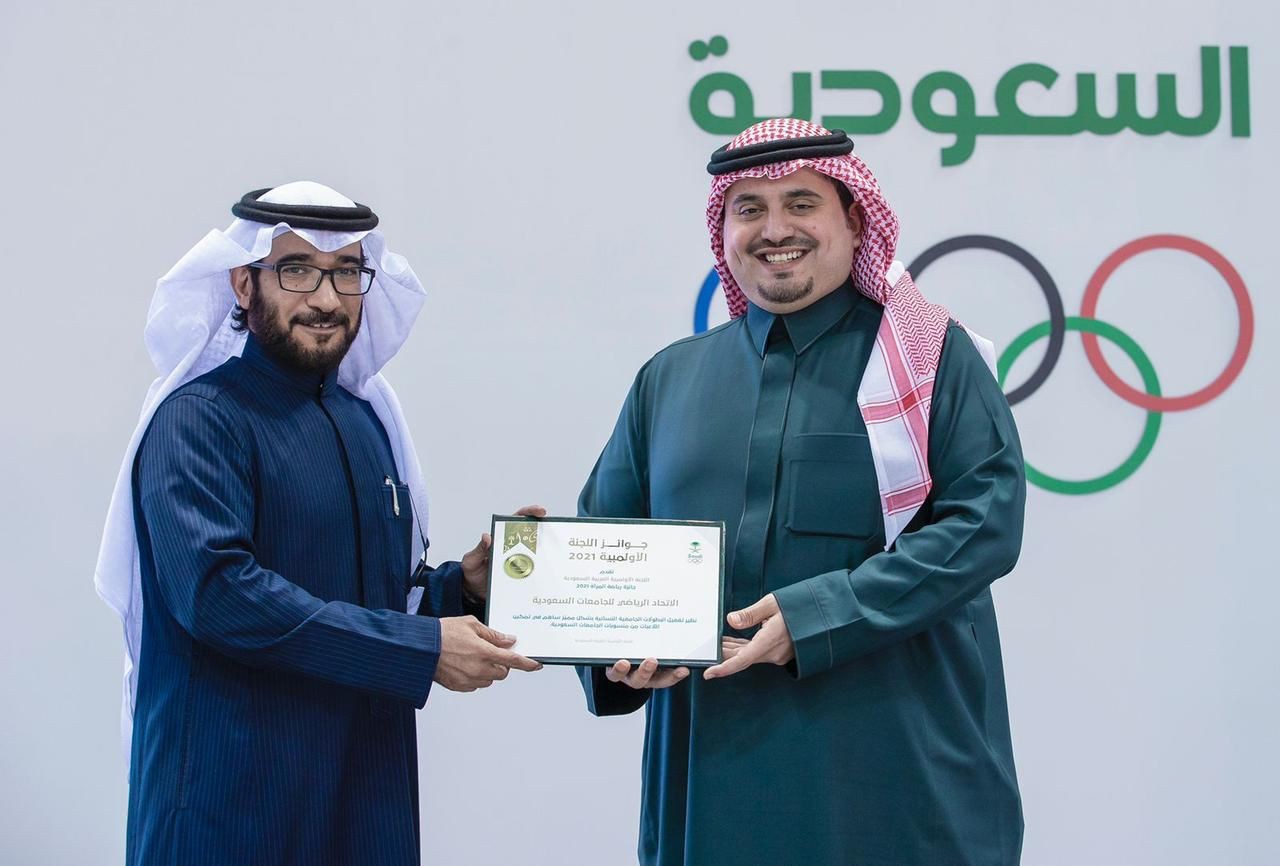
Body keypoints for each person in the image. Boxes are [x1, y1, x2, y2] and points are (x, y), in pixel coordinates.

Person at [577, 120, 1027, 865]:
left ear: (854, 220)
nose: (774, 229)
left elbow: (984, 525)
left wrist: (818, 616)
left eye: (801, 203)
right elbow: (605, 540)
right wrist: (613, 647)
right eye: (749, 209)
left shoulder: (929, 357)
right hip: (711, 785)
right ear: (723, 232)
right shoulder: (670, 379)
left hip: (897, 776)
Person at [94, 182, 541, 866]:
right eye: (297, 270)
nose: (327, 298)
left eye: (345, 272)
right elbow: (220, 595)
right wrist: (419, 649)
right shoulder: (198, 421)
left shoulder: (365, 421)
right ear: (244, 282)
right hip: (233, 809)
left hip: (363, 798)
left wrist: (461, 590)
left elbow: (371, 592)